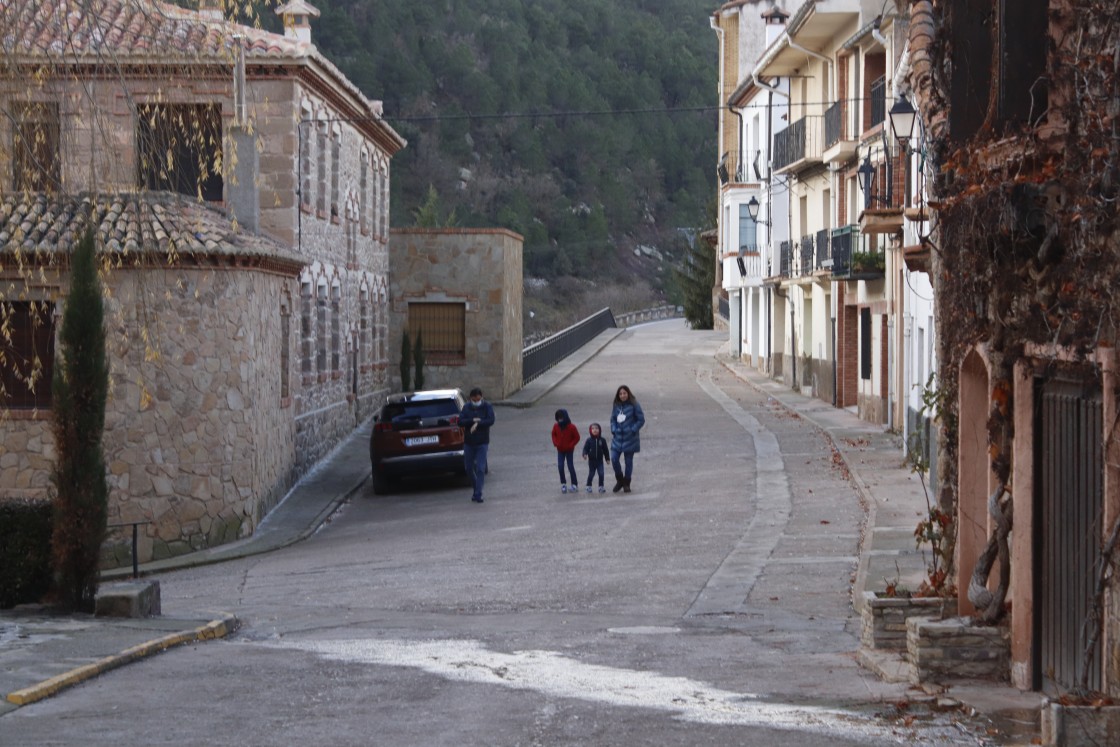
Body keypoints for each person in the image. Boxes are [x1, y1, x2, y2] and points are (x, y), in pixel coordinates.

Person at [460, 387, 495, 503]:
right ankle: (476, 488)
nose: (476, 402)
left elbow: (491, 420)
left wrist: (479, 423)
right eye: (474, 400)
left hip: (482, 442)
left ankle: (478, 493)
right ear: (471, 399)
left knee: (480, 468)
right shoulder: (466, 408)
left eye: (478, 399)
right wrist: (471, 420)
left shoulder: (487, 406)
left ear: (481, 397)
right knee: (469, 468)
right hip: (469, 442)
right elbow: (460, 421)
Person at [609, 384, 645, 493]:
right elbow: (613, 420)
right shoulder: (616, 406)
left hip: (630, 439)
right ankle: (620, 480)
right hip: (618, 438)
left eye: (624, 393)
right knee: (614, 459)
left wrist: (633, 429)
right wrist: (614, 429)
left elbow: (641, 419)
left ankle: (627, 483)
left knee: (628, 462)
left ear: (628, 393)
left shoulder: (634, 404)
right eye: (620, 393)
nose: (622, 395)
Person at [551, 408, 580, 493]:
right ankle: (563, 483)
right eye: (558, 418)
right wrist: (555, 443)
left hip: (569, 450)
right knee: (560, 466)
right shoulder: (556, 426)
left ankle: (574, 484)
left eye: (561, 417)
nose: (560, 420)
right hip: (560, 450)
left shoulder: (572, 427)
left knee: (570, 466)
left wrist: (571, 445)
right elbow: (553, 434)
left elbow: (577, 437)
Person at [581, 422, 609, 493]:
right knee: (591, 474)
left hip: (600, 461)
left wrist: (607, 458)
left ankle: (601, 486)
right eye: (593, 428)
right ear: (590, 430)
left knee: (601, 473)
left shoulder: (602, 440)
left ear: (599, 430)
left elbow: (606, 450)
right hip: (591, 461)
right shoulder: (589, 440)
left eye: (596, 428)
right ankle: (588, 486)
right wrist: (584, 454)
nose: (595, 430)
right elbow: (585, 449)